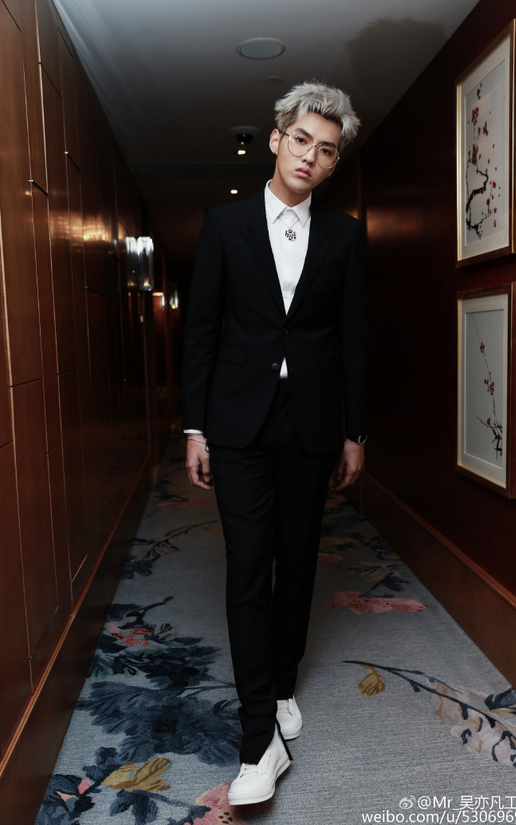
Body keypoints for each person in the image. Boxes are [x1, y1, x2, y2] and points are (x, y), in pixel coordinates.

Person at [183, 80, 370, 806]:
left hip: (311, 422)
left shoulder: (345, 235)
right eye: (301, 140)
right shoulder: (224, 225)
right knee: (247, 564)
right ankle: (258, 737)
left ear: (333, 162)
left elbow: (355, 338)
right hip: (236, 422)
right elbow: (201, 331)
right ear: (276, 139)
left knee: (296, 559)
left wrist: (355, 431)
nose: (310, 157)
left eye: (326, 150)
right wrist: (195, 427)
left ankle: (284, 681)